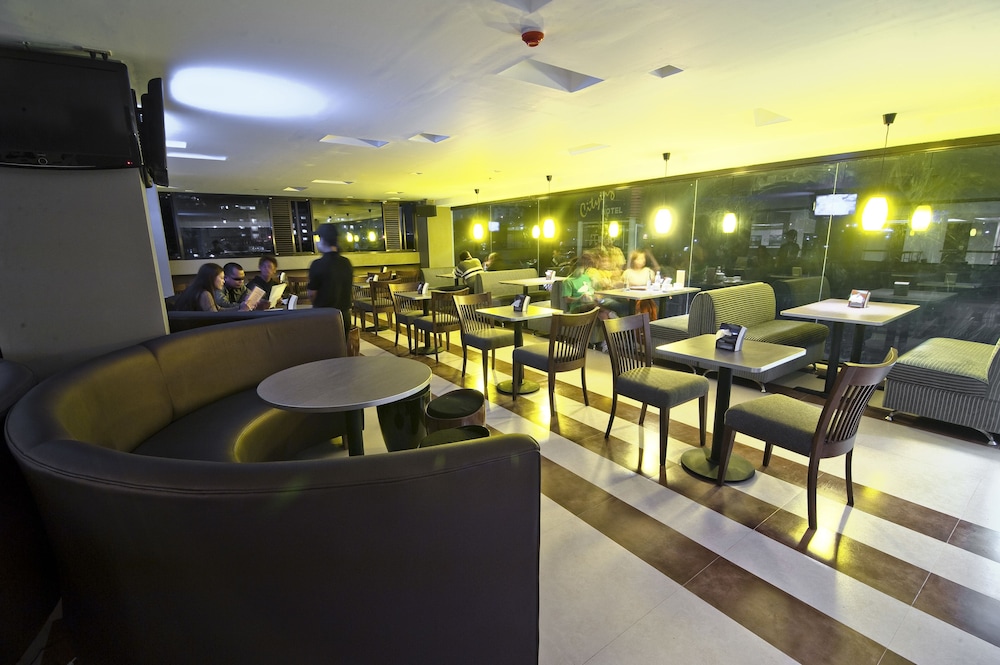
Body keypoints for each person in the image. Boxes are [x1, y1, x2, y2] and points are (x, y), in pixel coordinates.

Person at [308, 223, 354, 333]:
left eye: (318, 239)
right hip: (344, 315)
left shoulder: (317, 264)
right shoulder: (346, 263)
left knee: (325, 344)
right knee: (342, 343)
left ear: (323, 240)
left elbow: (312, 294)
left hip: (324, 315)